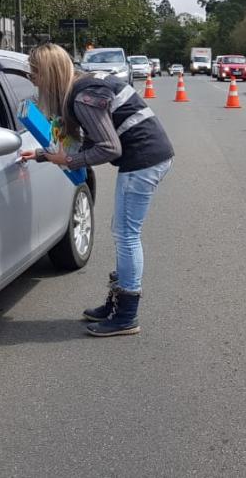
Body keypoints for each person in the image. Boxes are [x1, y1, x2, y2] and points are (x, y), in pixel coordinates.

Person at [20, 43, 174, 336]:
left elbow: (109, 148)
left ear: (49, 73)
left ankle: (126, 315)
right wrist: (42, 155)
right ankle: (117, 304)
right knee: (123, 231)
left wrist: (67, 160)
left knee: (126, 235)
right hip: (149, 155)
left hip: (143, 159)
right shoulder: (84, 85)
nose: (33, 80)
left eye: (34, 73)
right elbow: (96, 139)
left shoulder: (83, 98)